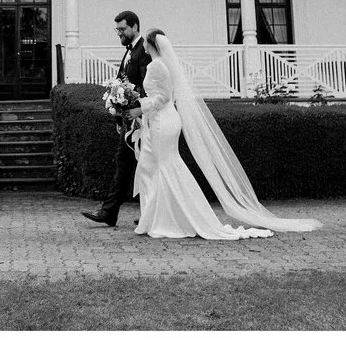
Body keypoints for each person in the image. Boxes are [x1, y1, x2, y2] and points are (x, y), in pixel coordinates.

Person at [128, 27, 321, 240]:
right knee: (163, 166)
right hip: (163, 120)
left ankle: (175, 219)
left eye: (145, 41)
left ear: (151, 44)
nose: (143, 45)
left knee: (166, 167)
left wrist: (140, 108)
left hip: (163, 121)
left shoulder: (157, 66)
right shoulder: (164, 64)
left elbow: (163, 97)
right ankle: (164, 216)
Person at [82, 10, 217, 227]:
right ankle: (144, 211)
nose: (119, 33)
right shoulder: (130, 52)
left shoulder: (146, 53)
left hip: (149, 118)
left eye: (122, 29)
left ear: (135, 26)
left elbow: (151, 91)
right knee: (141, 164)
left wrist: (137, 113)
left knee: (144, 164)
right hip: (141, 117)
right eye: (116, 29)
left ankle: (124, 212)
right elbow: (128, 85)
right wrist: (119, 112)